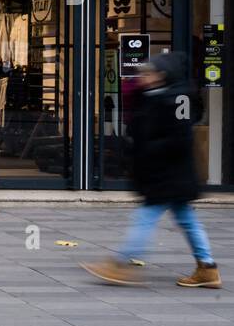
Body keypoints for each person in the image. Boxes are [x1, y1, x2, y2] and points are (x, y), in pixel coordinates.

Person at [83, 53, 221, 288]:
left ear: (161, 75)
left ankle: (121, 264)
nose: (143, 78)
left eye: (148, 73)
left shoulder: (175, 99)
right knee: (187, 220)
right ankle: (207, 267)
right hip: (168, 174)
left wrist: (149, 149)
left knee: (146, 217)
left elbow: (178, 139)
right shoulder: (155, 96)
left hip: (168, 174)